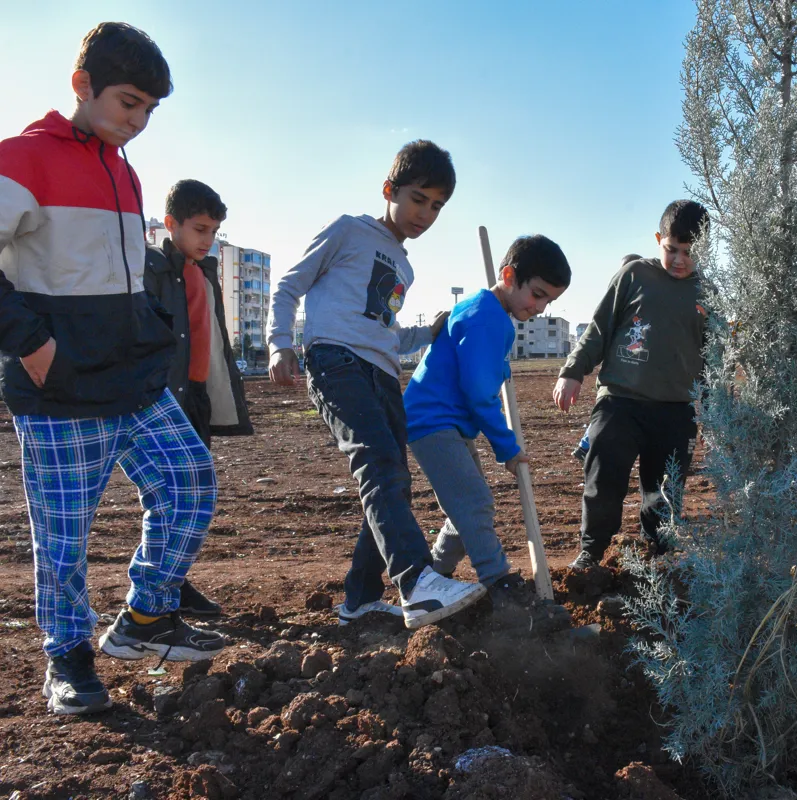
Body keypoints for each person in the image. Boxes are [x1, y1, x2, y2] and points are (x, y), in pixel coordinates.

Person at [0, 23, 226, 715]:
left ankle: (145, 618)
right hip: (58, 387)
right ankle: (67, 658)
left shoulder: (123, 170)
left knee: (190, 480)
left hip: (129, 380)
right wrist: (33, 345)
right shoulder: (20, 158)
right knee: (64, 536)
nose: (139, 121)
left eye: (150, 110)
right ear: (82, 85)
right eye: (129, 103)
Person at [266, 139, 486, 629]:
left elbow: (384, 331)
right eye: (417, 199)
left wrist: (430, 330)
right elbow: (288, 285)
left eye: (437, 207)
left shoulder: (404, 266)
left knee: (394, 481)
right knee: (378, 464)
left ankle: (360, 600)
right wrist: (279, 342)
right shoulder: (349, 231)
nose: (425, 214)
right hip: (335, 360)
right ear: (390, 189)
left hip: (385, 375)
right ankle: (416, 581)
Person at [404, 234, 570, 597]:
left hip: (443, 420)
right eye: (538, 294)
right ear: (509, 276)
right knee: (474, 503)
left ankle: (434, 577)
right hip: (433, 421)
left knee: (469, 506)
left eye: (550, 300)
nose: (541, 307)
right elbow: (480, 394)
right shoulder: (488, 319)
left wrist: (501, 368)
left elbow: (479, 371)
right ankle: (499, 584)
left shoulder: (483, 309)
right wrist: (507, 448)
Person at [554, 202, 708, 569]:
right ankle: (591, 553)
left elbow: (713, 358)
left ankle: (658, 557)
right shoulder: (634, 274)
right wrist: (573, 371)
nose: (680, 260)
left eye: (690, 252)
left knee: (665, 493)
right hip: (620, 400)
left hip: (676, 409)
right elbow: (599, 328)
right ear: (658, 240)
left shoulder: (707, 293)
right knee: (603, 477)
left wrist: (717, 410)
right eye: (672, 249)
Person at [143, 179, 254, 617]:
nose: (208, 240)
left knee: (190, 497)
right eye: (200, 229)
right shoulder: (152, 270)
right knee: (168, 499)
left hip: (197, 402)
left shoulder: (204, 273)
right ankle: (160, 594)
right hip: (163, 402)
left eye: (213, 231)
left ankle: (174, 582)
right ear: (171, 224)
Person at [570, 253, 642, 464]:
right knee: (605, 416)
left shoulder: (642, 305)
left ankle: (587, 446)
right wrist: (573, 370)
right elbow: (596, 335)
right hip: (615, 382)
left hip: (636, 382)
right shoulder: (614, 304)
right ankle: (586, 446)